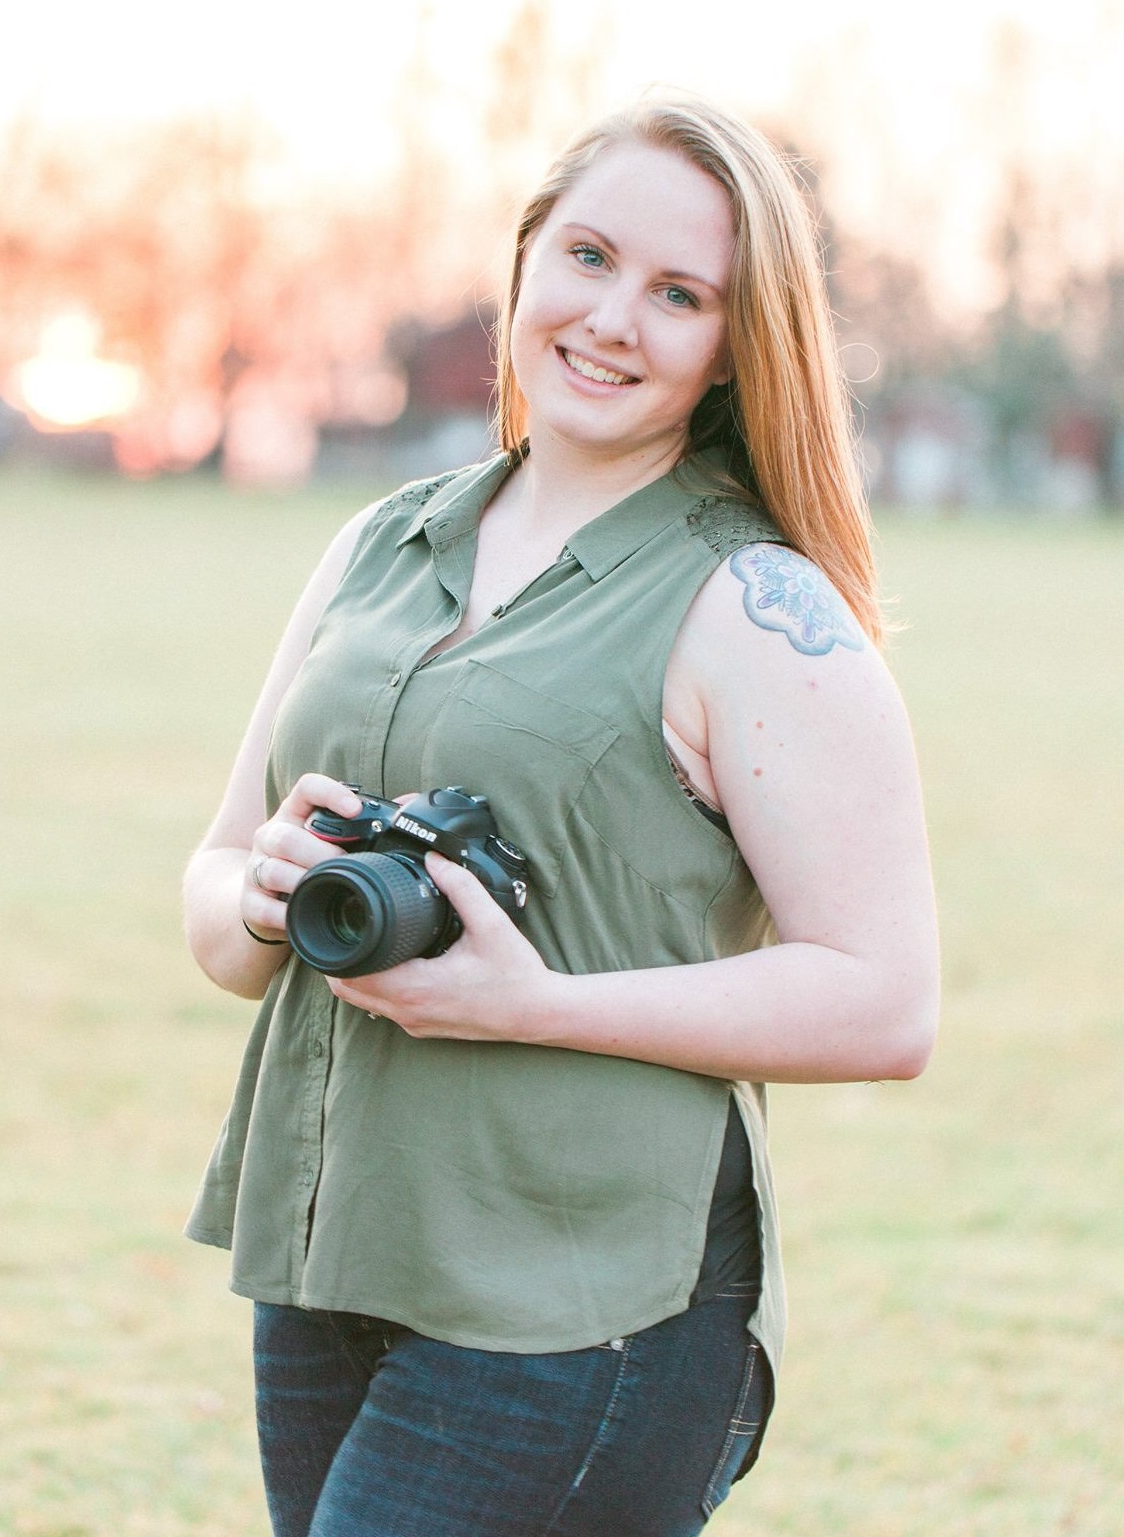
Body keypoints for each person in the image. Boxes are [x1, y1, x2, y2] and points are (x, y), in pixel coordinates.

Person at [182, 96, 940, 1537]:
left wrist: (530, 1004)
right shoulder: (380, 544)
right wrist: (260, 891)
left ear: (735, 343)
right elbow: (217, 900)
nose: (612, 319)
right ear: (524, 258)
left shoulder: (757, 608)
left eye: (679, 294)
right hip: (333, 1262)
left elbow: (886, 1002)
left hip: (589, 1305)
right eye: (588, 256)